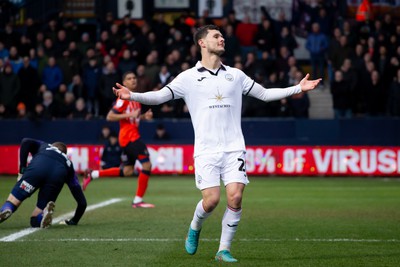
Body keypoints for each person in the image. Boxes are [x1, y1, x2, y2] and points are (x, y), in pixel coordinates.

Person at [112, 25, 321, 262]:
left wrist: (297, 88)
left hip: (234, 148)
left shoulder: (236, 75)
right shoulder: (188, 78)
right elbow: (160, 96)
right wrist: (134, 96)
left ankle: (223, 250)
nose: (222, 39)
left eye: (222, 36)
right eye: (216, 36)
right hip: (206, 150)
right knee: (211, 201)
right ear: (202, 43)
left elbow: (263, 93)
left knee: (235, 197)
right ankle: (195, 226)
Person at [83, 71, 155, 209]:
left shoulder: (135, 98)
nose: (133, 80)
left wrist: (144, 116)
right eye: (129, 78)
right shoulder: (123, 98)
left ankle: (94, 174)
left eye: (134, 78)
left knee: (127, 171)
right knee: (146, 165)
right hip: (130, 138)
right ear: (124, 83)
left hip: (129, 138)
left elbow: (132, 118)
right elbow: (110, 117)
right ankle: (138, 201)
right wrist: (130, 114)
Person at [0, 138, 87, 228]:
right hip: (58, 175)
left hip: (38, 167)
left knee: (13, 201)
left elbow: (25, 142)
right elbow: (82, 203)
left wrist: (22, 170)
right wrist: (74, 221)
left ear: (53, 146)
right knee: (35, 219)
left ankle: (7, 209)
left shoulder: (45, 146)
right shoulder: (69, 164)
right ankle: (41, 216)